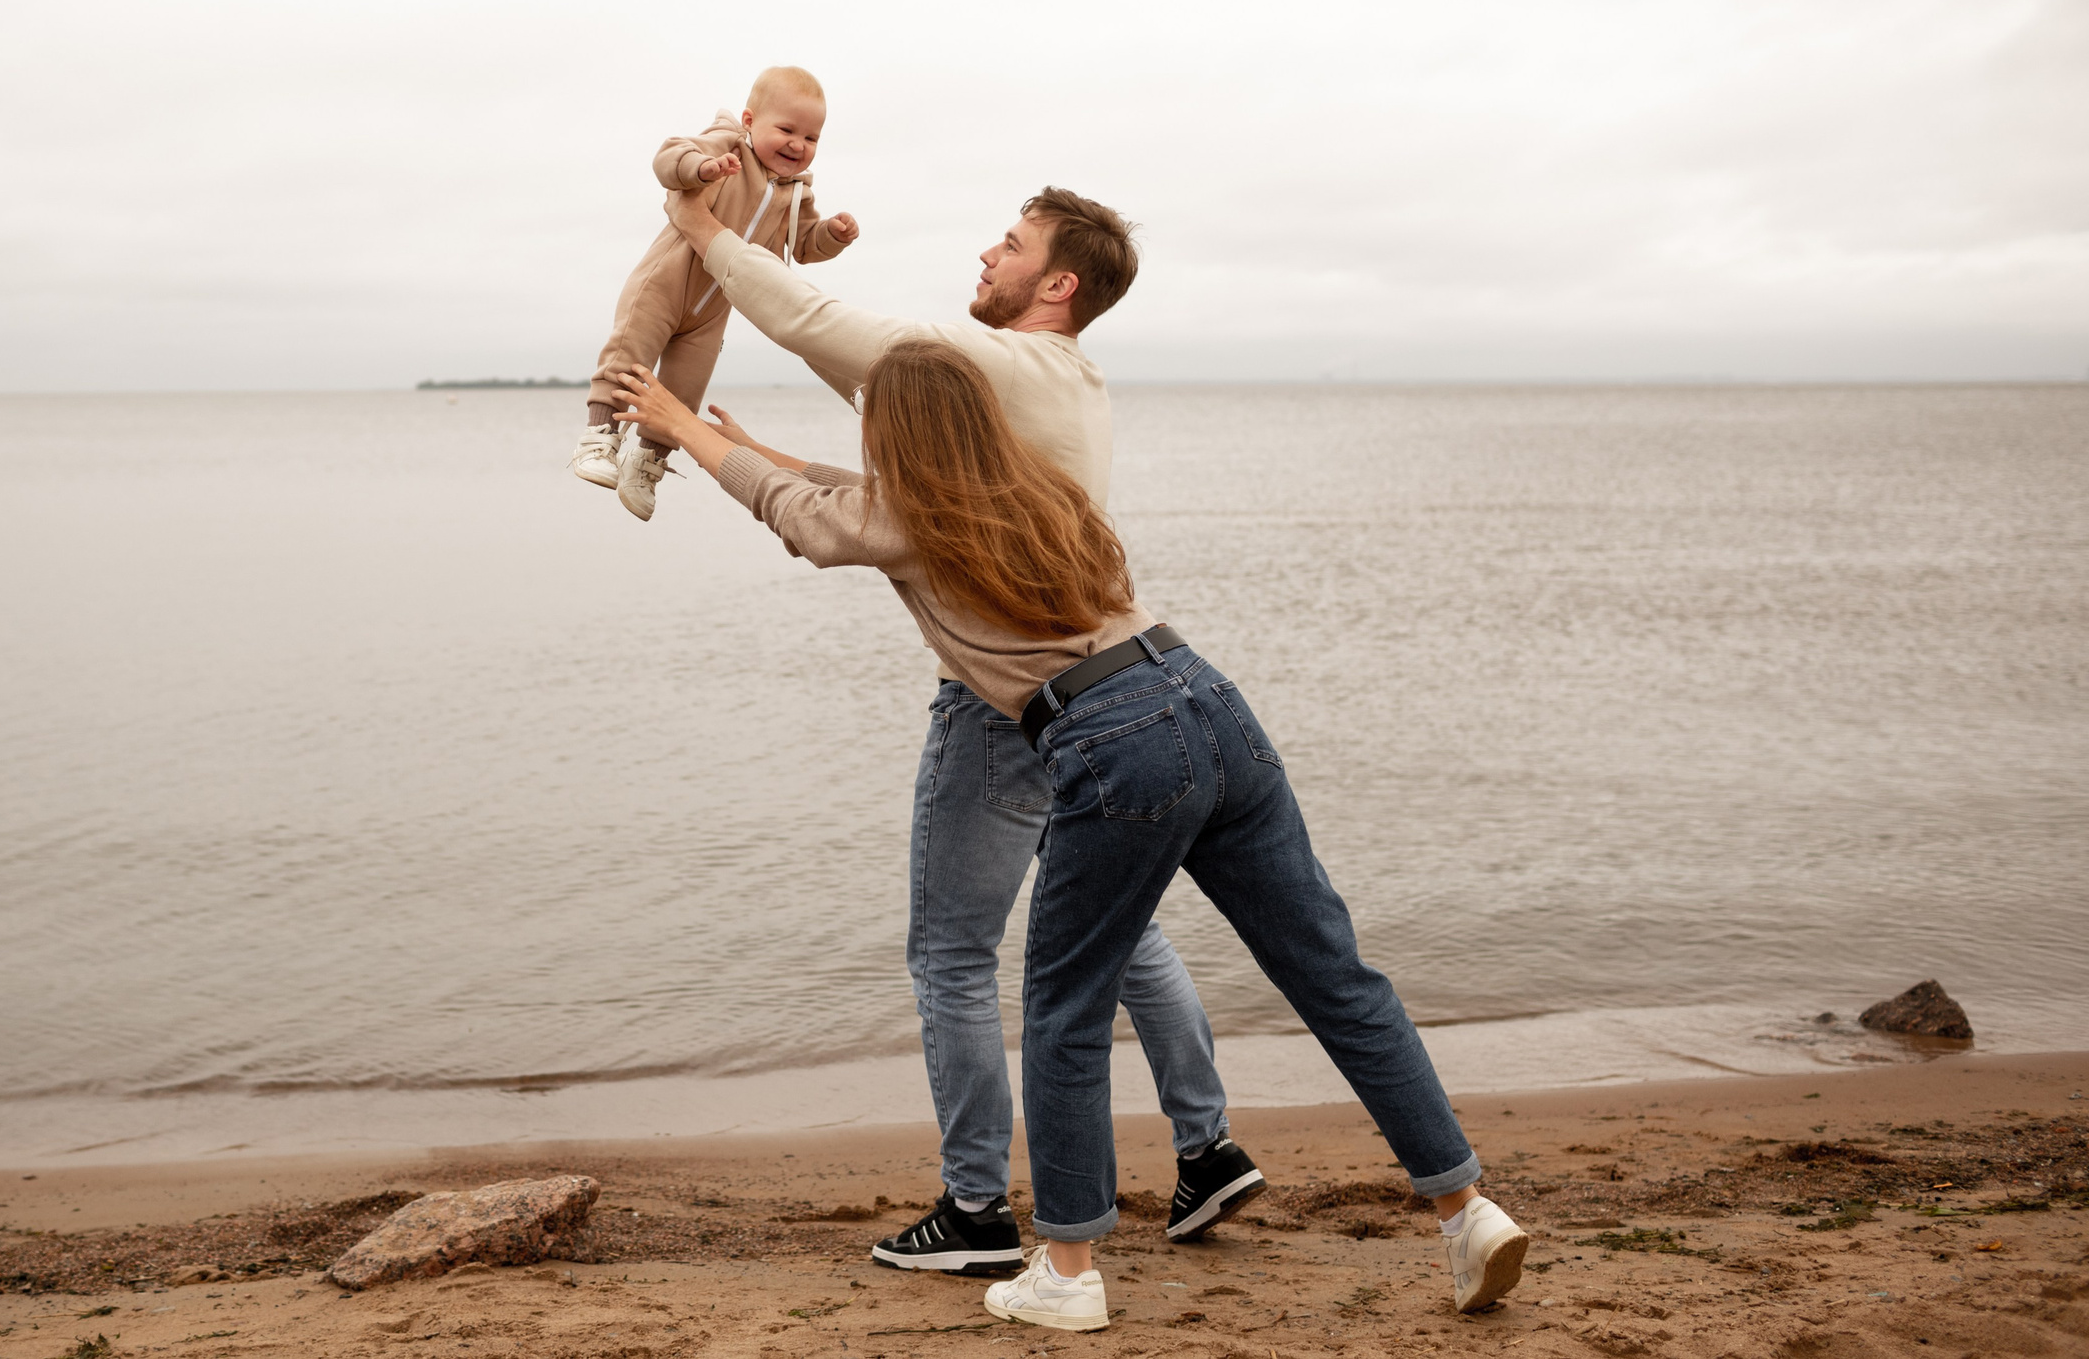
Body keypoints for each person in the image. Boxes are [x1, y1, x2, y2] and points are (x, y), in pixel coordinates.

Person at [607, 338, 1533, 1332]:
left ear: (899, 434)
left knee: (1062, 1008)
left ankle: (1067, 1268)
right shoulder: (1038, 492)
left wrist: (687, 432)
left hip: (1113, 740)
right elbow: (865, 505)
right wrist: (745, 446)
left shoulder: (911, 519)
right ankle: (1463, 1207)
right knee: (1334, 975)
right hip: (1211, 703)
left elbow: (822, 528)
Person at [620, 181, 1266, 1277]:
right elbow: (901, 486)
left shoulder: (1005, 363)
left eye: (1009, 244)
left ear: (1056, 283)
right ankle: (1206, 1148)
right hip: (1099, 688)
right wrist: (762, 448)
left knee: (952, 954)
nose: (986, 252)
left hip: (1001, 701)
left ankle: (975, 1206)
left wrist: (701, 236)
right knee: (1118, 929)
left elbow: (832, 404)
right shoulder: (1061, 384)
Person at [568, 66, 860, 521]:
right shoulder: (725, 145)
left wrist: (831, 236)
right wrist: (701, 169)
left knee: (685, 392)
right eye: (786, 130)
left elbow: (802, 246)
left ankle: (647, 466)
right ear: (749, 121)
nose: (798, 145)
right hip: (665, 283)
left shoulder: (796, 193)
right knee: (628, 357)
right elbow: (669, 158)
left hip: (713, 312)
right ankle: (600, 438)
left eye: (812, 138)